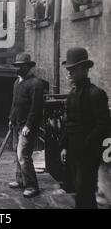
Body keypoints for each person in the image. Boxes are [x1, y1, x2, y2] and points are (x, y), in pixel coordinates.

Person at [60, 47, 110, 209]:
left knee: (84, 190)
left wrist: (86, 145)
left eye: (72, 69)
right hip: (74, 150)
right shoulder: (72, 95)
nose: (69, 73)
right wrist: (65, 147)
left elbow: (103, 125)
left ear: (83, 69)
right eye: (68, 70)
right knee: (77, 189)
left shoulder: (97, 94)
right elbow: (69, 124)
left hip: (89, 152)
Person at [8, 53, 44, 198]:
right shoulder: (17, 83)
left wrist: (29, 125)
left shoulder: (36, 84)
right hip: (17, 123)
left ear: (27, 66)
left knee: (24, 155)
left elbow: (36, 108)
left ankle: (32, 186)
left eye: (20, 66)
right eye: (16, 65)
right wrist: (11, 118)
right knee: (17, 153)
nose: (17, 68)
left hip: (27, 126)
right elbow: (14, 103)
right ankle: (21, 180)